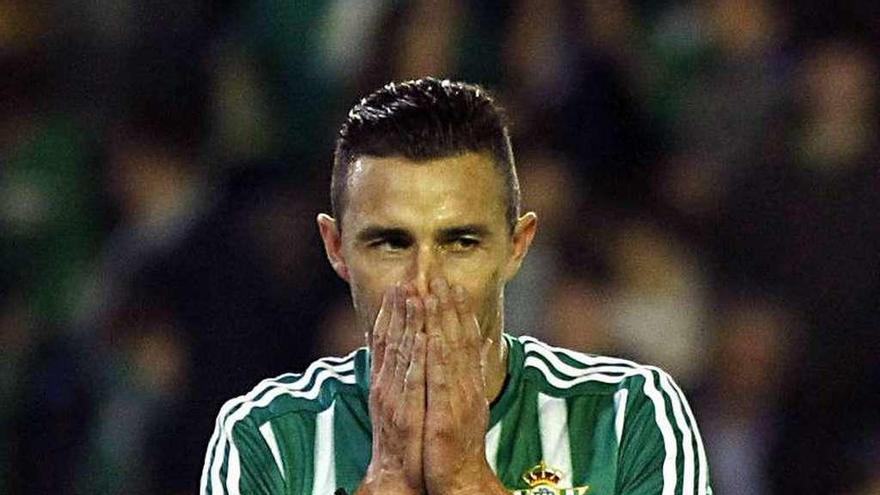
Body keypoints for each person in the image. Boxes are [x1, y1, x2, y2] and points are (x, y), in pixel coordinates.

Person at [201, 78, 712, 495]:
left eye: (460, 242)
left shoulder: (627, 417)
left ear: (517, 245)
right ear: (337, 249)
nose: (424, 284)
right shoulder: (266, 439)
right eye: (391, 243)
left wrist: (466, 478)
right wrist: (393, 478)